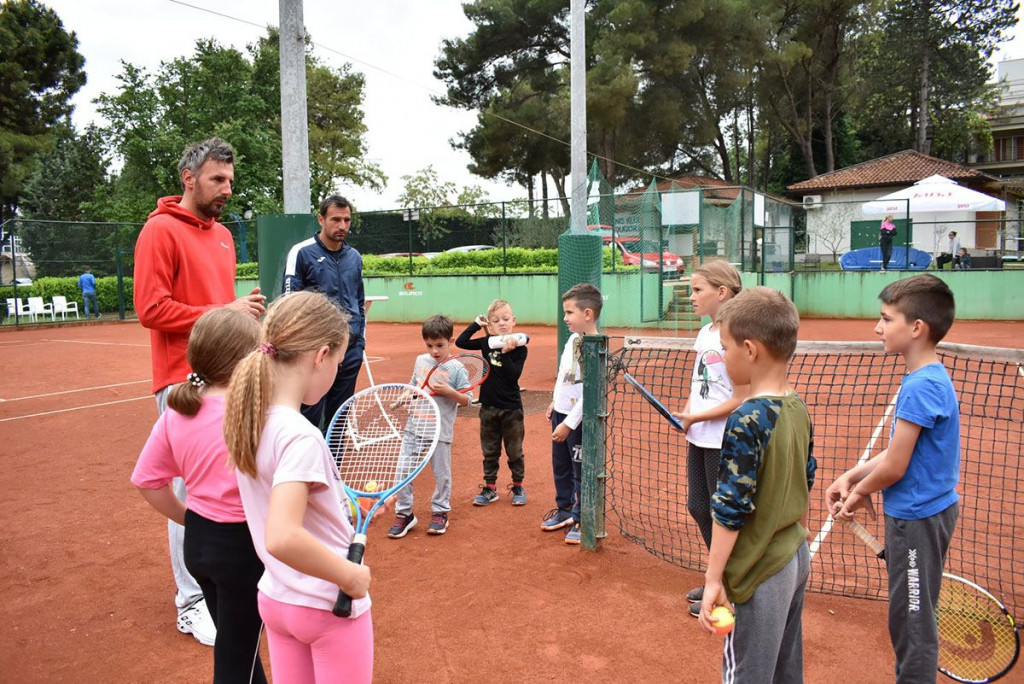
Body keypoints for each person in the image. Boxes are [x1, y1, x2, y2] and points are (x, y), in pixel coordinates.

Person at [134, 136, 266, 646]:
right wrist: (222, 311)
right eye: (217, 179)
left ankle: (226, 581)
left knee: (229, 482)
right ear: (189, 178)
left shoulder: (225, 235)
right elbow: (151, 309)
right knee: (189, 489)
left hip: (230, 377)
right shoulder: (159, 231)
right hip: (182, 379)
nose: (226, 188)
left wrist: (243, 316)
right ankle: (191, 602)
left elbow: (222, 308)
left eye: (230, 180)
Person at [225, 291, 373, 684]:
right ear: (320, 356)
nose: (336, 375)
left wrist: (342, 505)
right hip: (326, 605)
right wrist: (348, 575)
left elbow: (283, 505)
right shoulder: (301, 437)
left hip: (277, 599)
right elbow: (283, 535)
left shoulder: (250, 419)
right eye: (339, 364)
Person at [826, 274, 959, 683]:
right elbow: (898, 452)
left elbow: (897, 466)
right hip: (920, 514)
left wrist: (859, 492)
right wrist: (852, 475)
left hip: (917, 520)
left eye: (886, 319)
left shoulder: (920, 386)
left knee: (912, 625)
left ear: (916, 328)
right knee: (907, 618)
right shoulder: (926, 378)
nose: (877, 327)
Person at [131, 308, 267, 684]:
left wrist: (188, 517)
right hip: (242, 550)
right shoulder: (254, 415)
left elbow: (146, 480)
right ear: (245, 361)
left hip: (201, 545)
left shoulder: (177, 410)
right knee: (235, 659)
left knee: (240, 646)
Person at [695, 287, 815, 683]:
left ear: (750, 350)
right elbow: (806, 475)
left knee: (748, 674)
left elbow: (730, 508)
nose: (724, 356)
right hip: (794, 556)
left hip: (759, 568)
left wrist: (713, 580)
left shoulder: (747, 418)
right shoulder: (797, 405)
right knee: (785, 669)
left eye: (726, 347)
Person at [672, 261, 749, 618]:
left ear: (722, 292)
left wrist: (697, 417)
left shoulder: (737, 334)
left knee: (725, 514)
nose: (691, 297)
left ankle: (732, 588)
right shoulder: (704, 333)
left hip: (724, 439)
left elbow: (741, 396)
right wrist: (688, 414)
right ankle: (718, 577)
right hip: (700, 436)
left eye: (698, 289)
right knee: (699, 507)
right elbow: (697, 383)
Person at [282, 195, 365, 432]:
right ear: (321, 219)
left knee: (338, 420)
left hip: (350, 350)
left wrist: (360, 344)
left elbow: (359, 300)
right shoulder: (301, 253)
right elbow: (290, 303)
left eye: (347, 220)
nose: (342, 226)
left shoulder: (354, 257)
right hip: (315, 352)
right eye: (335, 219)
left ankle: (333, 469)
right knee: (307, 416)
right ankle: (305, 468)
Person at [387, 315, 472, 538]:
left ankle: (440, 511)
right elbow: (414, 384)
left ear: (450, 341)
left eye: (440, 345)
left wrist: (450, 393)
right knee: (403, 472)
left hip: (439, 432)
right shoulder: (420, 361)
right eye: (429, 345)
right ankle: (405, 514)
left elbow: (468, 400)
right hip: (414, 427)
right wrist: (406, 395)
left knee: (442, 475)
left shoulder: (457, 369)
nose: (434, 351)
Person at [541, 283, 602, 545]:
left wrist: (568, 423)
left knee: (579, 472)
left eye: (569, 312)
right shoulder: (572, 340)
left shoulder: (595, 346)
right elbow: (564, 375)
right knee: (561, 467)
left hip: (577, 422)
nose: (564, 318)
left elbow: (590, 390)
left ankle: (580, 518)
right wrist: (555, 403)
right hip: (561, 414)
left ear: (587, 314)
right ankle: (565, 510)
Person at [455, 299, 529, 506]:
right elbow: (461, 342)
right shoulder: (486, 342)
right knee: (490, 451)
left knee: (514, 451)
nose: (502, 323)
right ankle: (490, 488)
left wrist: (506, 354)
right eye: (496, 320)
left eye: (506, 319)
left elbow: (513, 376)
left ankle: (518, 485)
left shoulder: (520, 348)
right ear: (491, 325)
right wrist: (476, 324)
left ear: (513, 321)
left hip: (511, 409)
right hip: (488, 407)